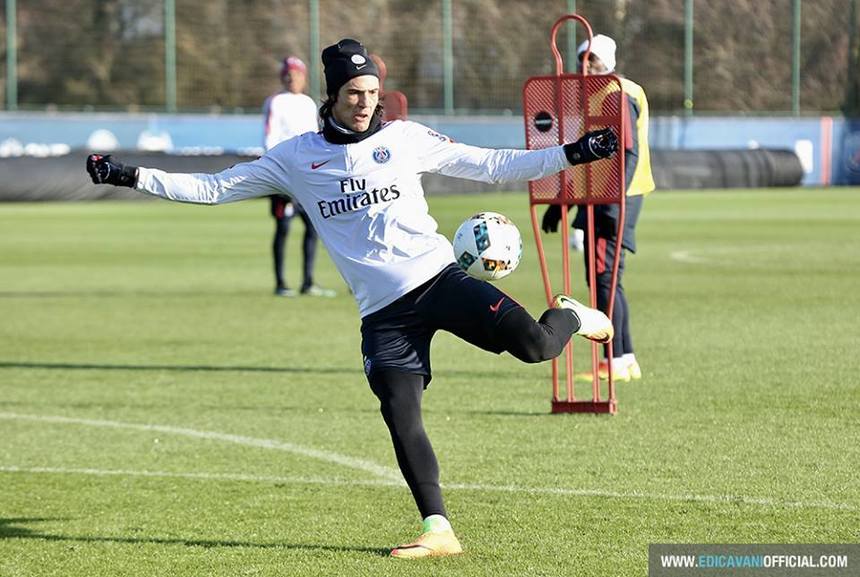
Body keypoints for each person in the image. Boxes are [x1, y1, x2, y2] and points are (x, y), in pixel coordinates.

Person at [87, 38, 618, 559]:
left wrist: (571, 153)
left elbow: (493, 164)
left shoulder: (406, 138)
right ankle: (439, 529)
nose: (365, 104)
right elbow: (215, 188)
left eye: (372, 93)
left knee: (537, 347)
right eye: (354, 94)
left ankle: (570, 314)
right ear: (332, 95)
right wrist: (130, 176)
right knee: (401, 413)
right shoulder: (295, 159)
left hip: (439, 281)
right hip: (383, 314)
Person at [541, 34, 655, 383]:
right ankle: (626, 357)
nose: (586, 65)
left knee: (604, 280)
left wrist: (613, 196)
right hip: (601, 195)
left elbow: (628, 153)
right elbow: (588, 157)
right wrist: (563, 202)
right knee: (606, 281)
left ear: (609, 62)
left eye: (593, 59)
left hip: (615, 199)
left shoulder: (617, 94)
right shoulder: (594, 95)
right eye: (582, 59)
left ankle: (614, 361)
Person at [263, 55, 335, 297]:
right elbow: (270, 138)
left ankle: (307, 281)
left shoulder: (308, 104)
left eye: (296, 74)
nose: (292, 78)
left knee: (312, 226)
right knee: (283, 226)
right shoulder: (275, 102)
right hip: (283, 174)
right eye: (288, 73)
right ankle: (281, 282)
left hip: (307, 176)